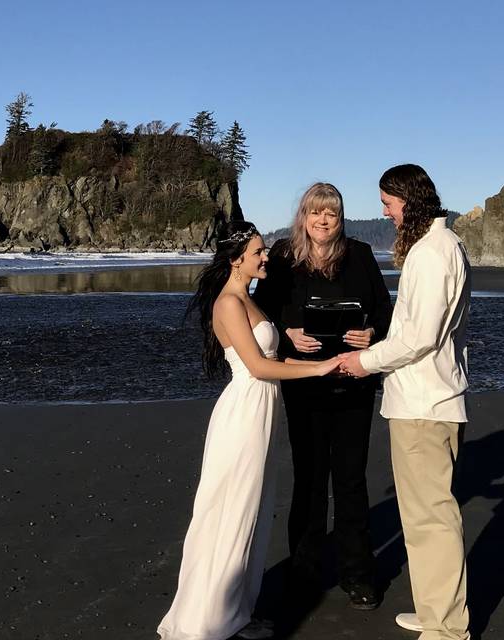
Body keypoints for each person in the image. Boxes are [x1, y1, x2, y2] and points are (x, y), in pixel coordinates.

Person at [158, 221, 342, 640]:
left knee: (251, 512)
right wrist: (317, 368)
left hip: (261, 409)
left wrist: (328, 364)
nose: (265, 258)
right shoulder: (228, 303)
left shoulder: (248, 298)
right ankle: (210, 618)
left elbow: (273, 357)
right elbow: (258, 368)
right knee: (230, 512)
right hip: (243, 413)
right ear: (236, 257)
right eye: (258, 252)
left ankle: (236, 609)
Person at [339, 165, 471, 640]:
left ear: (409, 200)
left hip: (424, 403)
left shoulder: (433, 253)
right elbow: (418, 330)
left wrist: (365, 361)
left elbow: (419, 335)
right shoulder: (437, 247)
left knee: (432, 517)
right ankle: (436, 611)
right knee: (422, 516)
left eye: (388, 204)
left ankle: (447, 627)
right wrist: (378, 339)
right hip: (426, 397)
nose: (385, 213)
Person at [253, 183, 391, 610]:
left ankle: (358, 575)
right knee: (309, 480)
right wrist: (288, 331)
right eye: (315, 212)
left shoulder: (361, 255)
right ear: (303, 216)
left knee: (350, 480)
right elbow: (260, 311)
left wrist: (369, 333)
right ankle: (305, 572)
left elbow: (386, 313)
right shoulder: (283, 259)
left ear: (340, 217)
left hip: (353, 382)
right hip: (305, 383)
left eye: (330, 213)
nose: (323, 220)